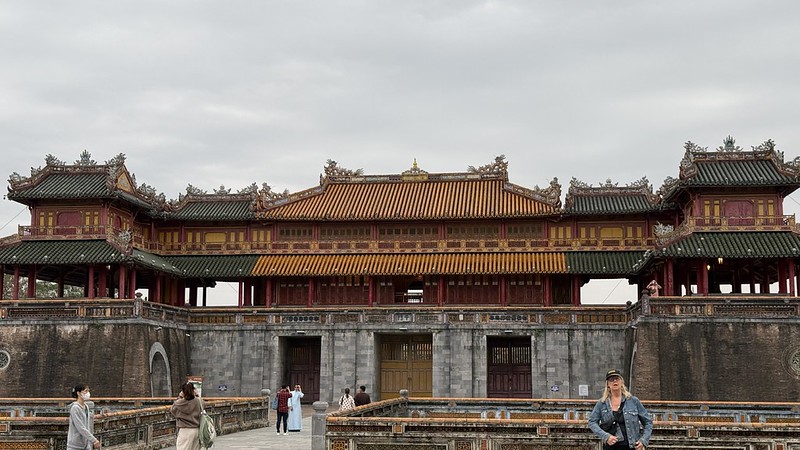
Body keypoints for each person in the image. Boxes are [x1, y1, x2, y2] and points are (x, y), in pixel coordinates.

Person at [588, 369, 653, 450]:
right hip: (610, 447)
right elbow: (592, 422)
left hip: (632, 446)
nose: (614, 381)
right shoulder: (602, 403)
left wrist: (643, 441)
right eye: (611, 379)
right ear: (608, 384)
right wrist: (606, 436)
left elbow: (648, 422)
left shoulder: (633, 401)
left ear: (621, 382)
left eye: (617, 378)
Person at [67, 384, 101, 450]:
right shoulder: (75, 408)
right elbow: (80, 427)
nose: (88, 393)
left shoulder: (86, 407)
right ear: (78, 393)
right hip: (75, 445)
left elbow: (88, 425)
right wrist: (94, 440)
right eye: (85, 391)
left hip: (86, 444)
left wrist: (91, 441)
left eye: (88, 391)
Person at [170, 383, 202, 450]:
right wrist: (196, 395)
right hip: (196, 429)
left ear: (183, 392)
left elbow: (173, 411)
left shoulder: (179, 403)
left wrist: (179, 397)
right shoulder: (197, 401)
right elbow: (202, 406)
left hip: (185, 430)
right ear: (193, 390)